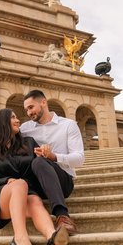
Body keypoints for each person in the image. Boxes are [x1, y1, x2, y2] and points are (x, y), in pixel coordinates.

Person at [0, 108, 69, 245]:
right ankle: (19, 239)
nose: (18, 120)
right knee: (19, 184)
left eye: (16, 117)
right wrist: (6, 181)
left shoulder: (28, 143)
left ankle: (52, 237)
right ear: (2, 122)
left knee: (35, 201)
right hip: (0, 196)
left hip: (27, 191)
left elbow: (40, 164)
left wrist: (46, 152)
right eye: (13, 117)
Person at [20, 90, 85, 235]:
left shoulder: (68, 125)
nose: (29, 112)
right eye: (26, 109)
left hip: (63, 182)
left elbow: (79, 158)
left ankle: (63, 216)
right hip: (36, 183)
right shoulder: (25, 129)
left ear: (43, 102)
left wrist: (54, 156)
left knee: (39, 162)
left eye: (31, 107)